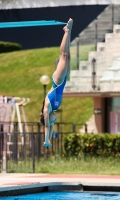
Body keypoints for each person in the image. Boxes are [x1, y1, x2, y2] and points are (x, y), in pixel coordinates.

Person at [40, 18, 73, 147]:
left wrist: (46, 139)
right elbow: (51, 125)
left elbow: (48, 126)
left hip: (57, 81)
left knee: (63, 55)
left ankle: (66, 31)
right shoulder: (53, 109)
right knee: (68, 55)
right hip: (63, 81)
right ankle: (69, 32)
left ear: (46, 118)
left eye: (51, 121)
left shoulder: (47, 109)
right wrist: (50, 139)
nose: (55, 121)